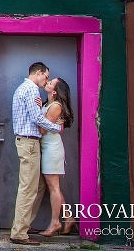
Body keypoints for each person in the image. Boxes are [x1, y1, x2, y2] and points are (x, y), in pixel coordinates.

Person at [10, 62, 63, 246]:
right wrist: (56, 127)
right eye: (46, 76)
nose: (46, 80)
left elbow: (34, 115)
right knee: (28, 188)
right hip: (29, 143)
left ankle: (24, 224)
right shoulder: (31, 89)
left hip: (29, 143)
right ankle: (19, 233)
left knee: (38, 186)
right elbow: (37, 119)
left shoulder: (24, 89)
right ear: (38, 73)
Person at [37, 78, 77, 237]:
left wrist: (36, 111)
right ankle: (68, 218)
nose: (47, 82)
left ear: (55, 92)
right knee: (52, 186)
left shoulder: (55, 106)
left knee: (53, 187)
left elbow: (42, 129)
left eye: (51, 82)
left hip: (52, 149)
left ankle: (55, 222)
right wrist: (40, 107)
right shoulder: (48, 104)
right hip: (48, 147)